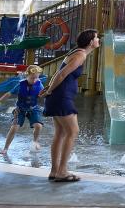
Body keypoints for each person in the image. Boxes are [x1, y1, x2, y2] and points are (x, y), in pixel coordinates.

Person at [40, 28, 100, 182]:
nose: (98, 39)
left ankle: (55, 171)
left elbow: (58, 73)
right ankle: (62, 171)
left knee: (60, 133)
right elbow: (62, 74)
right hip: (62, 97)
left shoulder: (76, 52)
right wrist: (49, 90)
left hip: (59, 96)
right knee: (73, 131)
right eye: (97, 37)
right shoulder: (80, 55)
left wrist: (49, 89)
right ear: (91, 42)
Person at [0, 65, 45, 155]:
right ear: (27, 76)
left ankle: (35, 141)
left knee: (38, 126)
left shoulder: (39, 84)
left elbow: (44, 96)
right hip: (20, 109)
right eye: (32, 78)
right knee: (14, 128)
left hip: (33, 108)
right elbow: (8, 94)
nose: (34, 80)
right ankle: (5, 148)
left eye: (36, 78)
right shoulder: (20, 85)